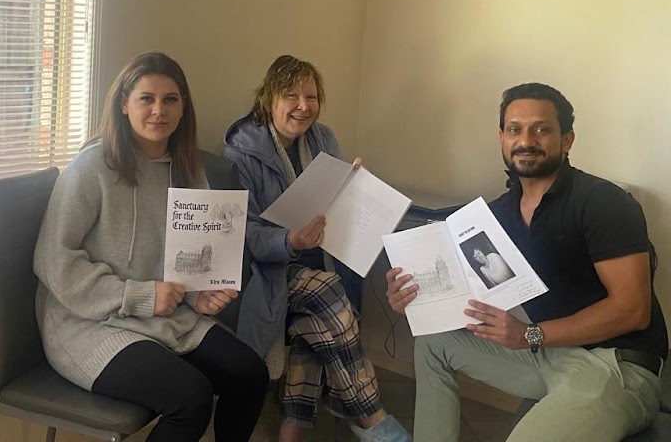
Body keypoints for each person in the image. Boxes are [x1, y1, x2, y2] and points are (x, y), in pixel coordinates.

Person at [385, 82, 667, 441]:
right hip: (545, 353)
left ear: (567, 140)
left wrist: (529, 334)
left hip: (616, 366)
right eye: (514, 129)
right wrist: (413, 299)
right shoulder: (496, 216)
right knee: (433, 344)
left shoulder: (603, 202)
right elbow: (465, 298)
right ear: (502, 138)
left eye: (541, 129)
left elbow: (633, 311)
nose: (526, 140)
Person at [33, 52, 268, 442]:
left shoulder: (189, 170)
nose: (159, 111)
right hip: (88, 323)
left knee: (251, 375)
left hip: (164, 317)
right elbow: (54, 262)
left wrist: (197, 295)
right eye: (147, 99)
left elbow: (189, 263)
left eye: (170, 99)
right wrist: (141, 296)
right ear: (124, 104)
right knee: (189, 398)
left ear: (183, 107)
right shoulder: (91, 169)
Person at [223, 55, 412, 442]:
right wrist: (290, 240)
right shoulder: (241, 152)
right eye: (291, 96)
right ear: (268, 98)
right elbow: (242, 234)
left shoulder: (323, 139)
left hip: (323, 264)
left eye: (311, 97)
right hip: (269, 272)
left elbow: (337, 207)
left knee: (317, 323)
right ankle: (370, 416)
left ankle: (290, 434)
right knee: (328, 291)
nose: (303, 106)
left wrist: (355, 188)